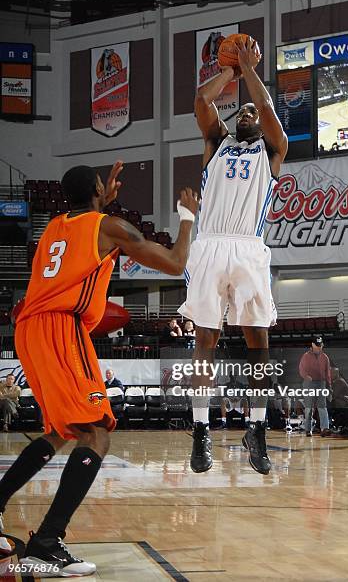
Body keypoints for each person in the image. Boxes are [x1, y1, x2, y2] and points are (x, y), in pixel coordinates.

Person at [0, 161, 199, 575]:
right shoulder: (109, 226)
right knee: (96, 433)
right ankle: (47, 541)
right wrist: (187, 216)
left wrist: (98, 203)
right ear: (97, 189)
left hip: (29, 329)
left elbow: (83, 230)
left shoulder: (54, 226)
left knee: (60, 432)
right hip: (60, 327)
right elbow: (177, 263)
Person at [178, 36, 287, 475]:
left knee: (258, 343)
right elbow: (202, 99)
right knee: (205, 339)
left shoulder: (272, 150)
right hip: (210, 244)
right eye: (239, 110)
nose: (244, 113)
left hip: (247, 247)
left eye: (250, 112)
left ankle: (256, 428)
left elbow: (268, 112)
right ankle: (202, 428)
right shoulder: (216, 142)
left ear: (259, 123)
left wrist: (252, 73)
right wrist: (233, 71)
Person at [298, 336, 332, 437]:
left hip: (321, 383)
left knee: (322, 406)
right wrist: (306, 376)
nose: (319, 348)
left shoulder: (325, 357)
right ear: (312, 345)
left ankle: (324, 428)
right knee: (309, 408)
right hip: (309, 384)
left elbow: (328, 373)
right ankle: (308, 429)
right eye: (317, 346)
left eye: (320, 346)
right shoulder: (306, 356)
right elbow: (301, 369)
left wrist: (329, 386)